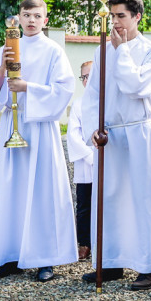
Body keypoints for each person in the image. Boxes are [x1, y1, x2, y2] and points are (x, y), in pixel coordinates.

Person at [0, 0, 77, 284]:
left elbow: (64, 89)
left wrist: (28, 87)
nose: (32, 20)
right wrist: (1, 70)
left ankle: (45, 258)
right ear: (18, 18)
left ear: (45, 20)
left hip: (39, 127)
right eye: (27, 15)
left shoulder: (53, 51)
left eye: (37, 16)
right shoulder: (6, 48)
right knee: (12, 189)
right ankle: (10, 256)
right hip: (12, 122)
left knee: (43, 190)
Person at [81, 0, 151, 291]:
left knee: (143, 199)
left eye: (121, 16)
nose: (115, 22)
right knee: (110, 198)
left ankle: (148, 267)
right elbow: (92, 95)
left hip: (139, 132)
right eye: (112, 16)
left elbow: (136, 86)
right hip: (110, 135)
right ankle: (111, 262)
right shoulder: (101, 52)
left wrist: (122, 51)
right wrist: (93, 126)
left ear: (137, 16)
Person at [68, 60, 94, 261]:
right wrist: (90, 155)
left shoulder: (108, 101)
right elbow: (73, 136)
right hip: (86, 163)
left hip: (108, 161)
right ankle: (84, 243)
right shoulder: (78, 104)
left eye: (90, 75)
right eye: (83, 77)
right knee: (84, 204)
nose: (87, 80)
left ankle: (104, 242)